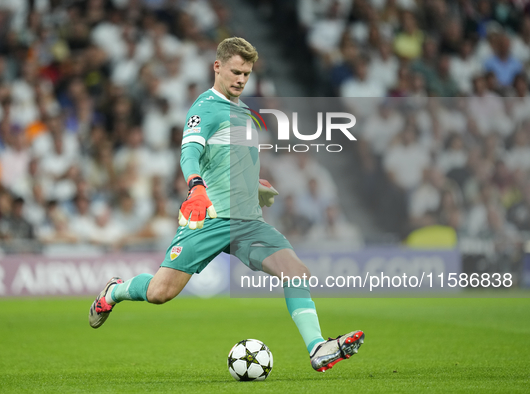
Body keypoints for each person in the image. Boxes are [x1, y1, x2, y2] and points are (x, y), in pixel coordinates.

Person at [88, 37, 365, 372]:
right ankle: (114, 292)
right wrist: (196, 189)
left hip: (248, 221)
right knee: (161, 292)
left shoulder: (244, 112)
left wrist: (255, 186)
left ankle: (317, 347)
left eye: (247, 74)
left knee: (296, 271)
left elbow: (234, 161)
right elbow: (189, 152)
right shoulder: (205, 108)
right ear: (217, 67)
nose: (241, 79)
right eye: (236, 71)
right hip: (210, 217)